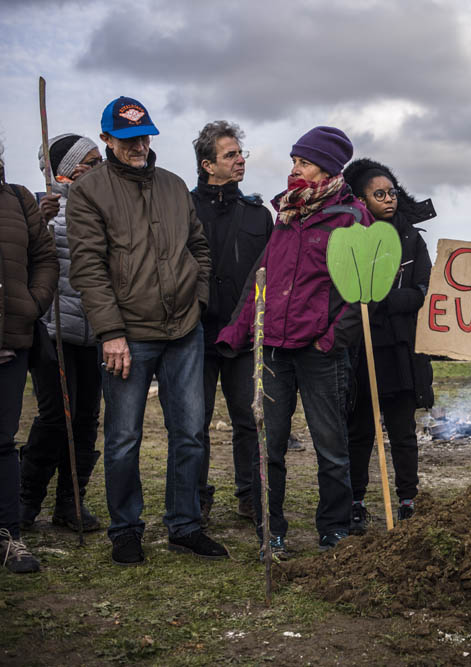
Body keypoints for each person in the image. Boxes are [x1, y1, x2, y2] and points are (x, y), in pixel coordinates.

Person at [67, 96, 228, 566]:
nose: (138, 145)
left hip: (184, 330)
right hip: (127, 335)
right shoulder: (89, 192)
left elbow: (198, 248)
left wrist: (196, 301)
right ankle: (125, 529)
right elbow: (88, 270)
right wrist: (111, 332)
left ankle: (184, 525)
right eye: (127, 138)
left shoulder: (175, 186)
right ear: (106, 139)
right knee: (123, 437)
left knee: (191, 433)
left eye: (144, 136)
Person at [218, 126, 370, 557]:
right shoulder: (286, 215)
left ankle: (334, 530)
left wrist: (332, 339)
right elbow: (260, 279)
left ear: (326, 167)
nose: (294, 169)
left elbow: (361, 292)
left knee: (330, 445)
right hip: (273, 349)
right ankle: (272, 532)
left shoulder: (351, 218)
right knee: (270, 445)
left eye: (302, 162)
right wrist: (238, 330)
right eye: (294, 161)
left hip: (320, 353)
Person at [342, 158, 434, 533]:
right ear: (362, 200)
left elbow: (425, 289)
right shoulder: (350, 237)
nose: (389, 199)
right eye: (379, 194)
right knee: (360, 430)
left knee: (402, 430)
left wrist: (388, 300)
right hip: (362, 349)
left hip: (400, 350)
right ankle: (356, 501)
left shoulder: (412, 237)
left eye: (392, 192)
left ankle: (408, 499)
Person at [20, 134, 104, 533]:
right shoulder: (41, 208)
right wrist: (40, 220)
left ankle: (71, 502)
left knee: (88, 417)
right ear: (66, 171)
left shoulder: (102, 206)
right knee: (55, 417)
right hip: (54, 330)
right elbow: (25, 260)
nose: (100, 167)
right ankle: (24, 501)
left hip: (96, 333)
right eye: (91, 161)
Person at [190, 121, 273, 525]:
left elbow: (270, 274)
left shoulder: (259, 214)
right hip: (196, 333)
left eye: (241, 154)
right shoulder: (183, 208)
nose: (240, 161)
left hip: (244, 337)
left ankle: (251, 496)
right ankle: (196, 497)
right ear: (208, 165)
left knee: (249, 417)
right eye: (230, 155)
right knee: (195, 421)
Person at [0, 142, 59, 573]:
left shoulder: (18, 198)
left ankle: (8, 537)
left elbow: (44, 258)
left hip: (9, 339)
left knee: (2, 442)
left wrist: (32, 303)